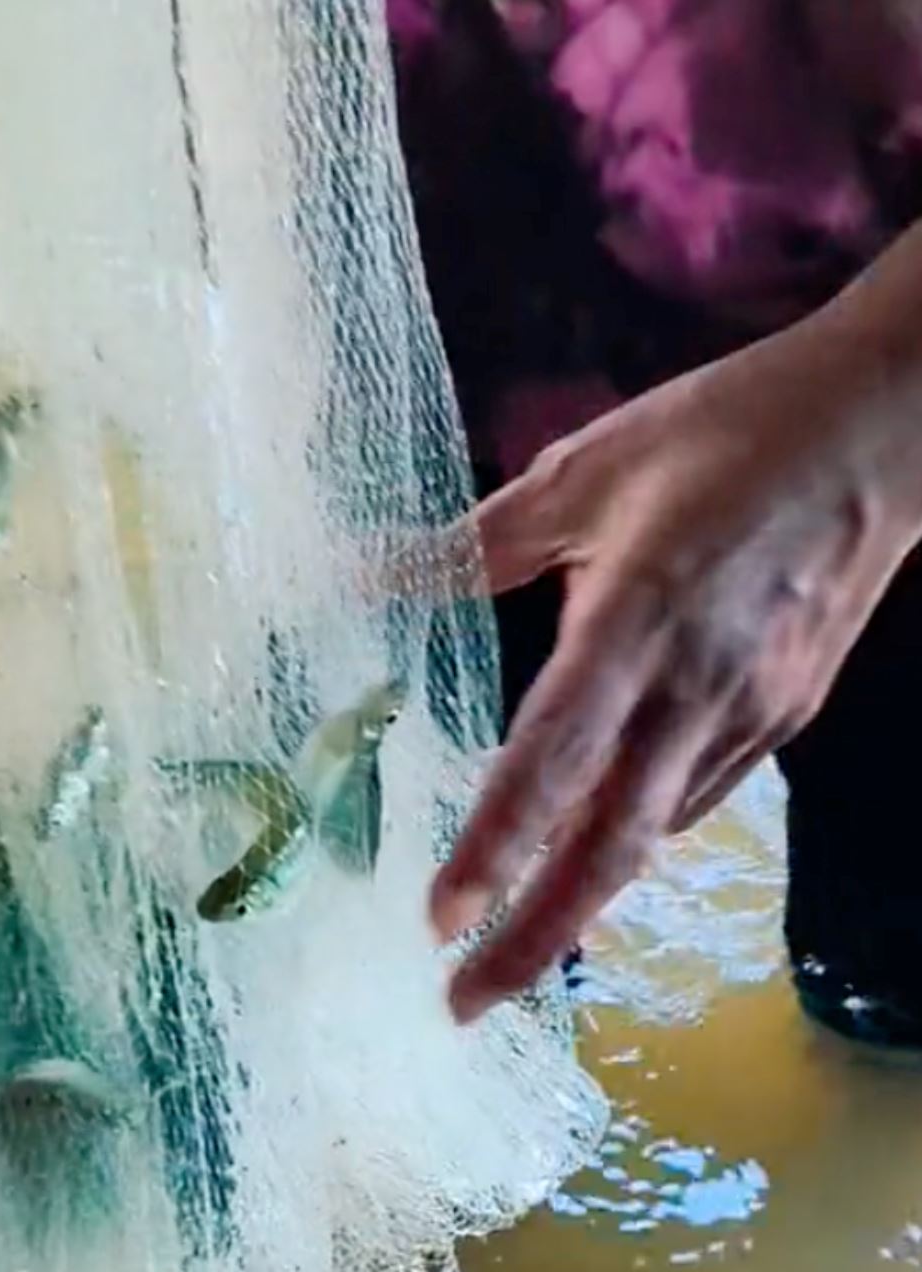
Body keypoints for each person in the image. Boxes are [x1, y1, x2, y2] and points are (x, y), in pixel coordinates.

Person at [387, 1, 922, 1036]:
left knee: (893, 978)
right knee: (473, 980)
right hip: (440, 397)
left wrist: (881, 399)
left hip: (880, 387)